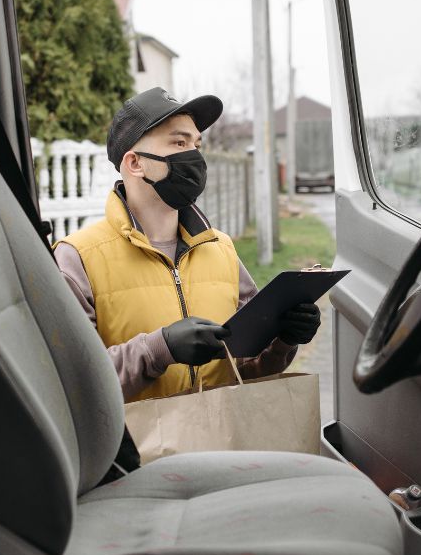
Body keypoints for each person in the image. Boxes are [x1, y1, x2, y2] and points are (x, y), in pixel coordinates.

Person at [55, 87, 321, 402]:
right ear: (135, 163)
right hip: (135, 436)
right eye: (179, 143)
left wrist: (284, 341)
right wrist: (160, 349)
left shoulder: (221, 247)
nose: (194, 156)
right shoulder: (78, 257)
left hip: (222, 433)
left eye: (197, 144)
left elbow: (248, 370)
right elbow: (74, 383)